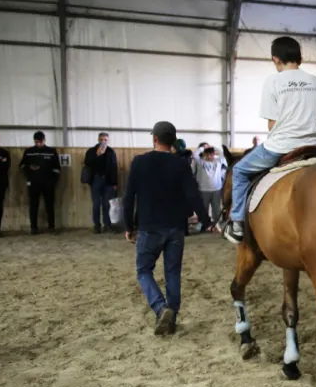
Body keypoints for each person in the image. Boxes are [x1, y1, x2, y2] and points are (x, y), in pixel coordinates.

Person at [225, 37, 316, 244]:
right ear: (300, 57)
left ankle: (237, 223)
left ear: (276, 59)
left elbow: (272, 125)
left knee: (239, 171)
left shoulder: (273, 81)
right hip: (312, 147)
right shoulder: (314, 81)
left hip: (279, 147)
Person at [123, 121, 212, 336]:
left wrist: (128, 225)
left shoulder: (139, 162)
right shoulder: (180, 164)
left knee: (144, 270)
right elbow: (193, 194)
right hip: (175, 228)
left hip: (149, 227)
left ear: (154, 138)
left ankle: (160, 308)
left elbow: (129, 198)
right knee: (172, 273)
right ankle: (171, 319)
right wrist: (206, 221)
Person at [19, 130, 61, 234]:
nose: (38, 144)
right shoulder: (29, 151)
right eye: (36, 142)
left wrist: (53, 181)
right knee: (33, 205)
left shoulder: (51, 151)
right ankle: (33, 228)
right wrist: (29, 168)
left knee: (49, 205)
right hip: (33, 183)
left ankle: (51, 227)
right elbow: (21, 165)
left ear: (44, 140)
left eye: (40, 142)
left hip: (48, 183)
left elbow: (57, 168)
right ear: (34, 141)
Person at [84, 132, 118, 233]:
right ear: (98, 140)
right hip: (95, 179)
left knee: (107, 204)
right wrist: (96, 155)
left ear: (108, 141)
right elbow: (87, 163)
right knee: (96, 204)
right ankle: (97, 225)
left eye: (105, 140)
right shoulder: (91, 151)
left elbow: (114, 168)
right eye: (101, 140)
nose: (103, 142)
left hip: (107, 181)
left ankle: (107, 225)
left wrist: (114, 183)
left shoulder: (111, 152)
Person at [195, 145, 227, 225]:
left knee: (216, 209)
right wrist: (203, 148)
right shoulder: (200, 162)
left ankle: (217, 224)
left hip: (216, 189)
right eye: (208, 154)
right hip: (204, 189)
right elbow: (195, 155)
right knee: (204, 209)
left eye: (212, 154)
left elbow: (222, 153)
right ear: (205, 154)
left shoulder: (218, 161)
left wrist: (213, 147)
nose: (211, 156)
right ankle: (204, 225)